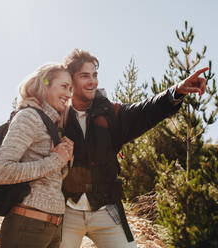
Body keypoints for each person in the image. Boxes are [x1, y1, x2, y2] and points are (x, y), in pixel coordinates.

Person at [60, 49, 208, 248]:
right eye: (85, 76)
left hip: (106, 210)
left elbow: (145, 110)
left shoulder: (111, 113)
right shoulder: (57, 116)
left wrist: (177, 91)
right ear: (70, 80)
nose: (92, 81)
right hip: (66, 211)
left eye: (95, 75)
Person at [0, 63, 74, 248]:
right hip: (27, 226)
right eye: (63, 86)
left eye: (70, 89)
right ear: (45, 85)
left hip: (52, 228)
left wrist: (66, 157)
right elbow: (0, 172)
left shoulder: (53, 125)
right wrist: (55, 160)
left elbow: (49, 177)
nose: (69, 94)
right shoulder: (29, 117)